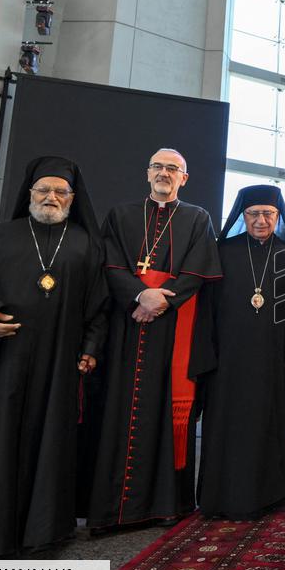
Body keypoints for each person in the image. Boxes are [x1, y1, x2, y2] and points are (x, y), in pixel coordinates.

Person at [0, 156, 107, 557]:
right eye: (43, 190)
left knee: (48, 441)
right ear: (29, 193)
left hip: (57, 365)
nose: (51, 197)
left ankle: (42, 531)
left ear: (72, 198)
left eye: (60, 192)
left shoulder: (86, 244)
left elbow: (98, 307)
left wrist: (90, 350)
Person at [89, 148, 221, 530]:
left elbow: (198, 270)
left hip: (172, 327)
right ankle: (114, 509)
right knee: (119, 409)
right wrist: (139, 294)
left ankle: (167, 505)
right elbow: (110, 262)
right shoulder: (121, 215)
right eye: (158, 167)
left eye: (172, 169)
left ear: (184, 178)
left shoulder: (198, 218)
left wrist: (162, 300)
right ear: (147, 174)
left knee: (167, 411)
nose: (164, 173)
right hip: (127, 326)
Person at [197, 185, 285, 519]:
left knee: (264, 425)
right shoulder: (223, 250)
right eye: (253, 214)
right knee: (225, 425)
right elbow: (207, 308)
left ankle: (265, 496)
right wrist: (207, 352)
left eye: (268, 214)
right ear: (243, 216)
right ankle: (220, 498)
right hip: (227, 359)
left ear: (278, 216)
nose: (260, 221)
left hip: (269, 359)